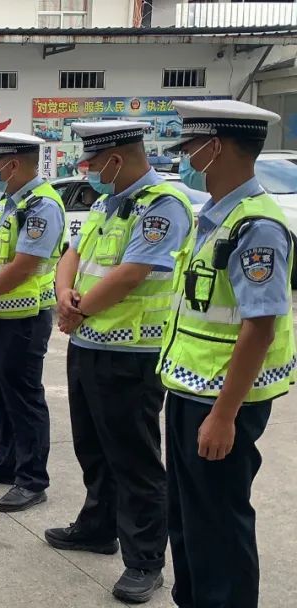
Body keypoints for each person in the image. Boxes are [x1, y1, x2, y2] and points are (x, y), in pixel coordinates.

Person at [47, 121, 195, 604]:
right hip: (89, 345)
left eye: (91, 163)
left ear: (116, 159)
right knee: (93, 447)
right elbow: (71, 255)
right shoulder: (107, 204)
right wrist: (64, 294)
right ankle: (97, 527)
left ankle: (145, 561)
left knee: (135, 460)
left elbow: (133, 273)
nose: (86, 170)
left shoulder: (162, 206)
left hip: (132, 354)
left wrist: (78, 310)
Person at [158, 100, 294, 608]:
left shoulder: (256, 227)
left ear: (214, 148)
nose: (185, 159)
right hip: (190, 388)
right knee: (188, 518)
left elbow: (260, 327)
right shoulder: (215, 216)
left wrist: (223, 415)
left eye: (190, 147)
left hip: (221, 401)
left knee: (219, 524)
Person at [0, 132, 65, 513]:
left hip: (23, 320)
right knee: (2, 396)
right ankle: (5, 461)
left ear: (14, 164)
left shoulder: (42, 206)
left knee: (24, 399)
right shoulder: (11, 202)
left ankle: (32, 480)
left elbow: (26, 264)